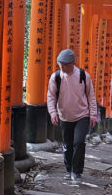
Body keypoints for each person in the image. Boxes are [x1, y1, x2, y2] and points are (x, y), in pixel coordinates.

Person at [46, 49, 98, 182]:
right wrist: (53, 113)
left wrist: (93, 114)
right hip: (64, 116)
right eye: (60, 64)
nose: (62, 67)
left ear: (72, 63)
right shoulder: (56, 77)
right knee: (67, 145)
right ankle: (69, 169)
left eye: (64, 64)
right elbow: (51, 97)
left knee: (79, 142)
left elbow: (91, 96)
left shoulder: (83, 75)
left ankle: (77, 172)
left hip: (82, 115)